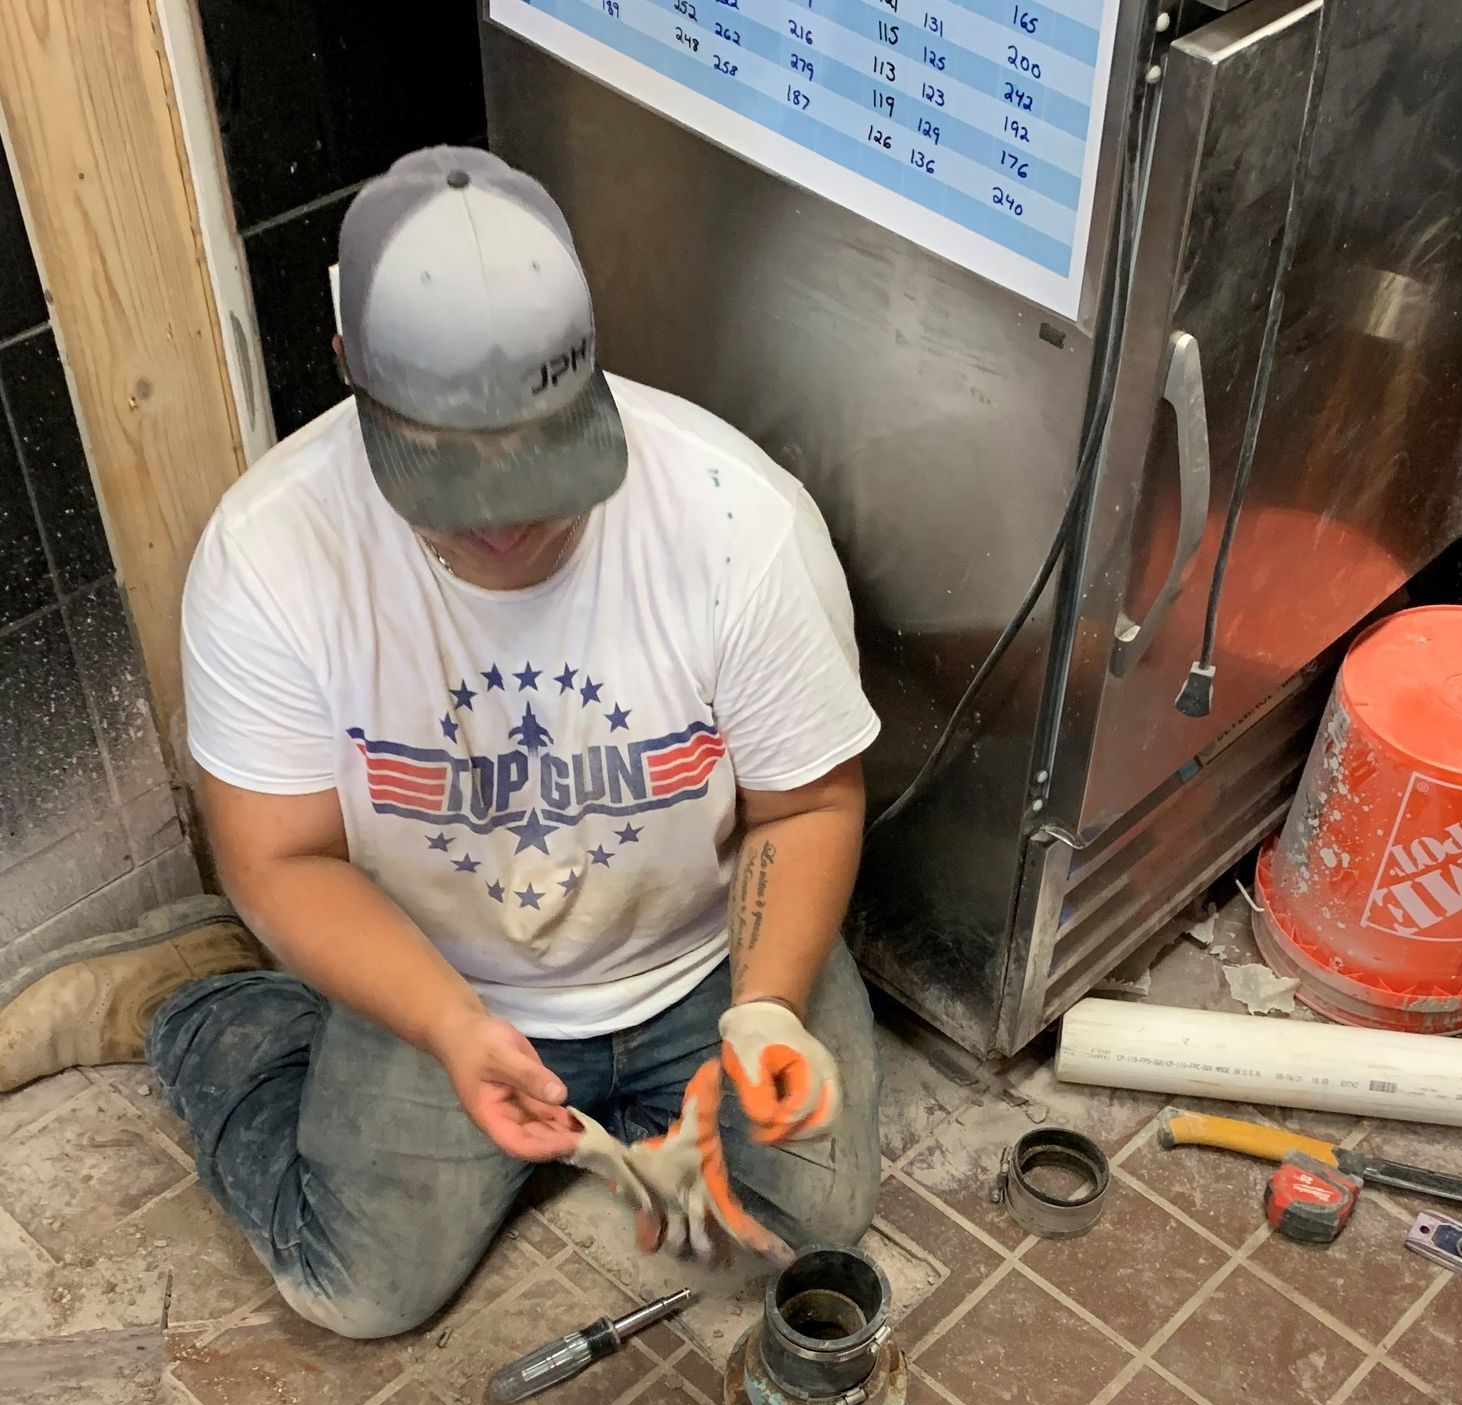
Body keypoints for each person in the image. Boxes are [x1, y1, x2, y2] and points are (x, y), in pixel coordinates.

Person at [0, 146, 882, 1337]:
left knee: (809, 1233)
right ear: (352, 373)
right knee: (360, 1288)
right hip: (448, 974)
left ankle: (631, 1090)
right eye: (453, 486)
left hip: (701, 961)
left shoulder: (737, 521)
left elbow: (806, 804)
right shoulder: (273, 556)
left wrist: (767, 1008)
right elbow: (278, 856)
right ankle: (204, 997)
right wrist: (450, 1028)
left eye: (542, 469)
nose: (505, 531)